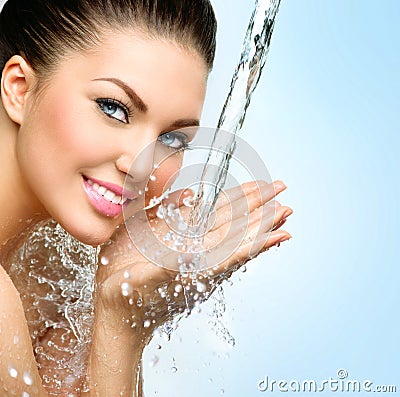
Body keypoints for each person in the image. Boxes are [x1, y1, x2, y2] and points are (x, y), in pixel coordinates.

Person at [0, 0, 293, 395]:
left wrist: (122, 315)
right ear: (20, 88)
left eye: (172, 139)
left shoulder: (53, 270)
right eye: (113, 108)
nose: (142, 166)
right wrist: (121, 332)